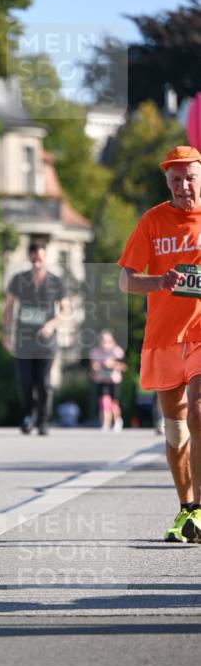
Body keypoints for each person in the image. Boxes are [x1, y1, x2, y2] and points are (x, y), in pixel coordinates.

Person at [117, 144, 201, 542]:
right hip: (164, 336)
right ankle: (186, 509)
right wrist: (159, 282)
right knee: (175, 429)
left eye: (190, 178)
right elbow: (125, 279)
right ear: (167, 182)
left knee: (199, 414)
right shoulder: (153, 221)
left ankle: (200, 509)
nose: (184, 186)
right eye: (176, 180)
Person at [2, 241, 71, 435]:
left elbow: (66, 309)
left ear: (45, 258)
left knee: (43, 382)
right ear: (29, 259)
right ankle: (28, 415)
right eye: (33, 260)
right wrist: (6, 333)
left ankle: (42, 420)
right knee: (25, 381)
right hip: (24, 339)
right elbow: (8, 307)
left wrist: (52, 324)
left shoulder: (56, 282)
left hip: (46, 341)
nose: (37, 264)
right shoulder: (18, 280)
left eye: (40, 260)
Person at [89, 329, 127, 431]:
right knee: (104, 401)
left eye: (107, 341)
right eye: (102, 341)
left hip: (114, 380)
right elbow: (92, 370)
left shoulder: (117, 351)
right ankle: (105, 423)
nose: (104, 343)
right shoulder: (95, 352)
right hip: (102, 380)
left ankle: (117, 420)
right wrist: (95, 368)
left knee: (114, 403)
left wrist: (112, 364)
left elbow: (124, 367)